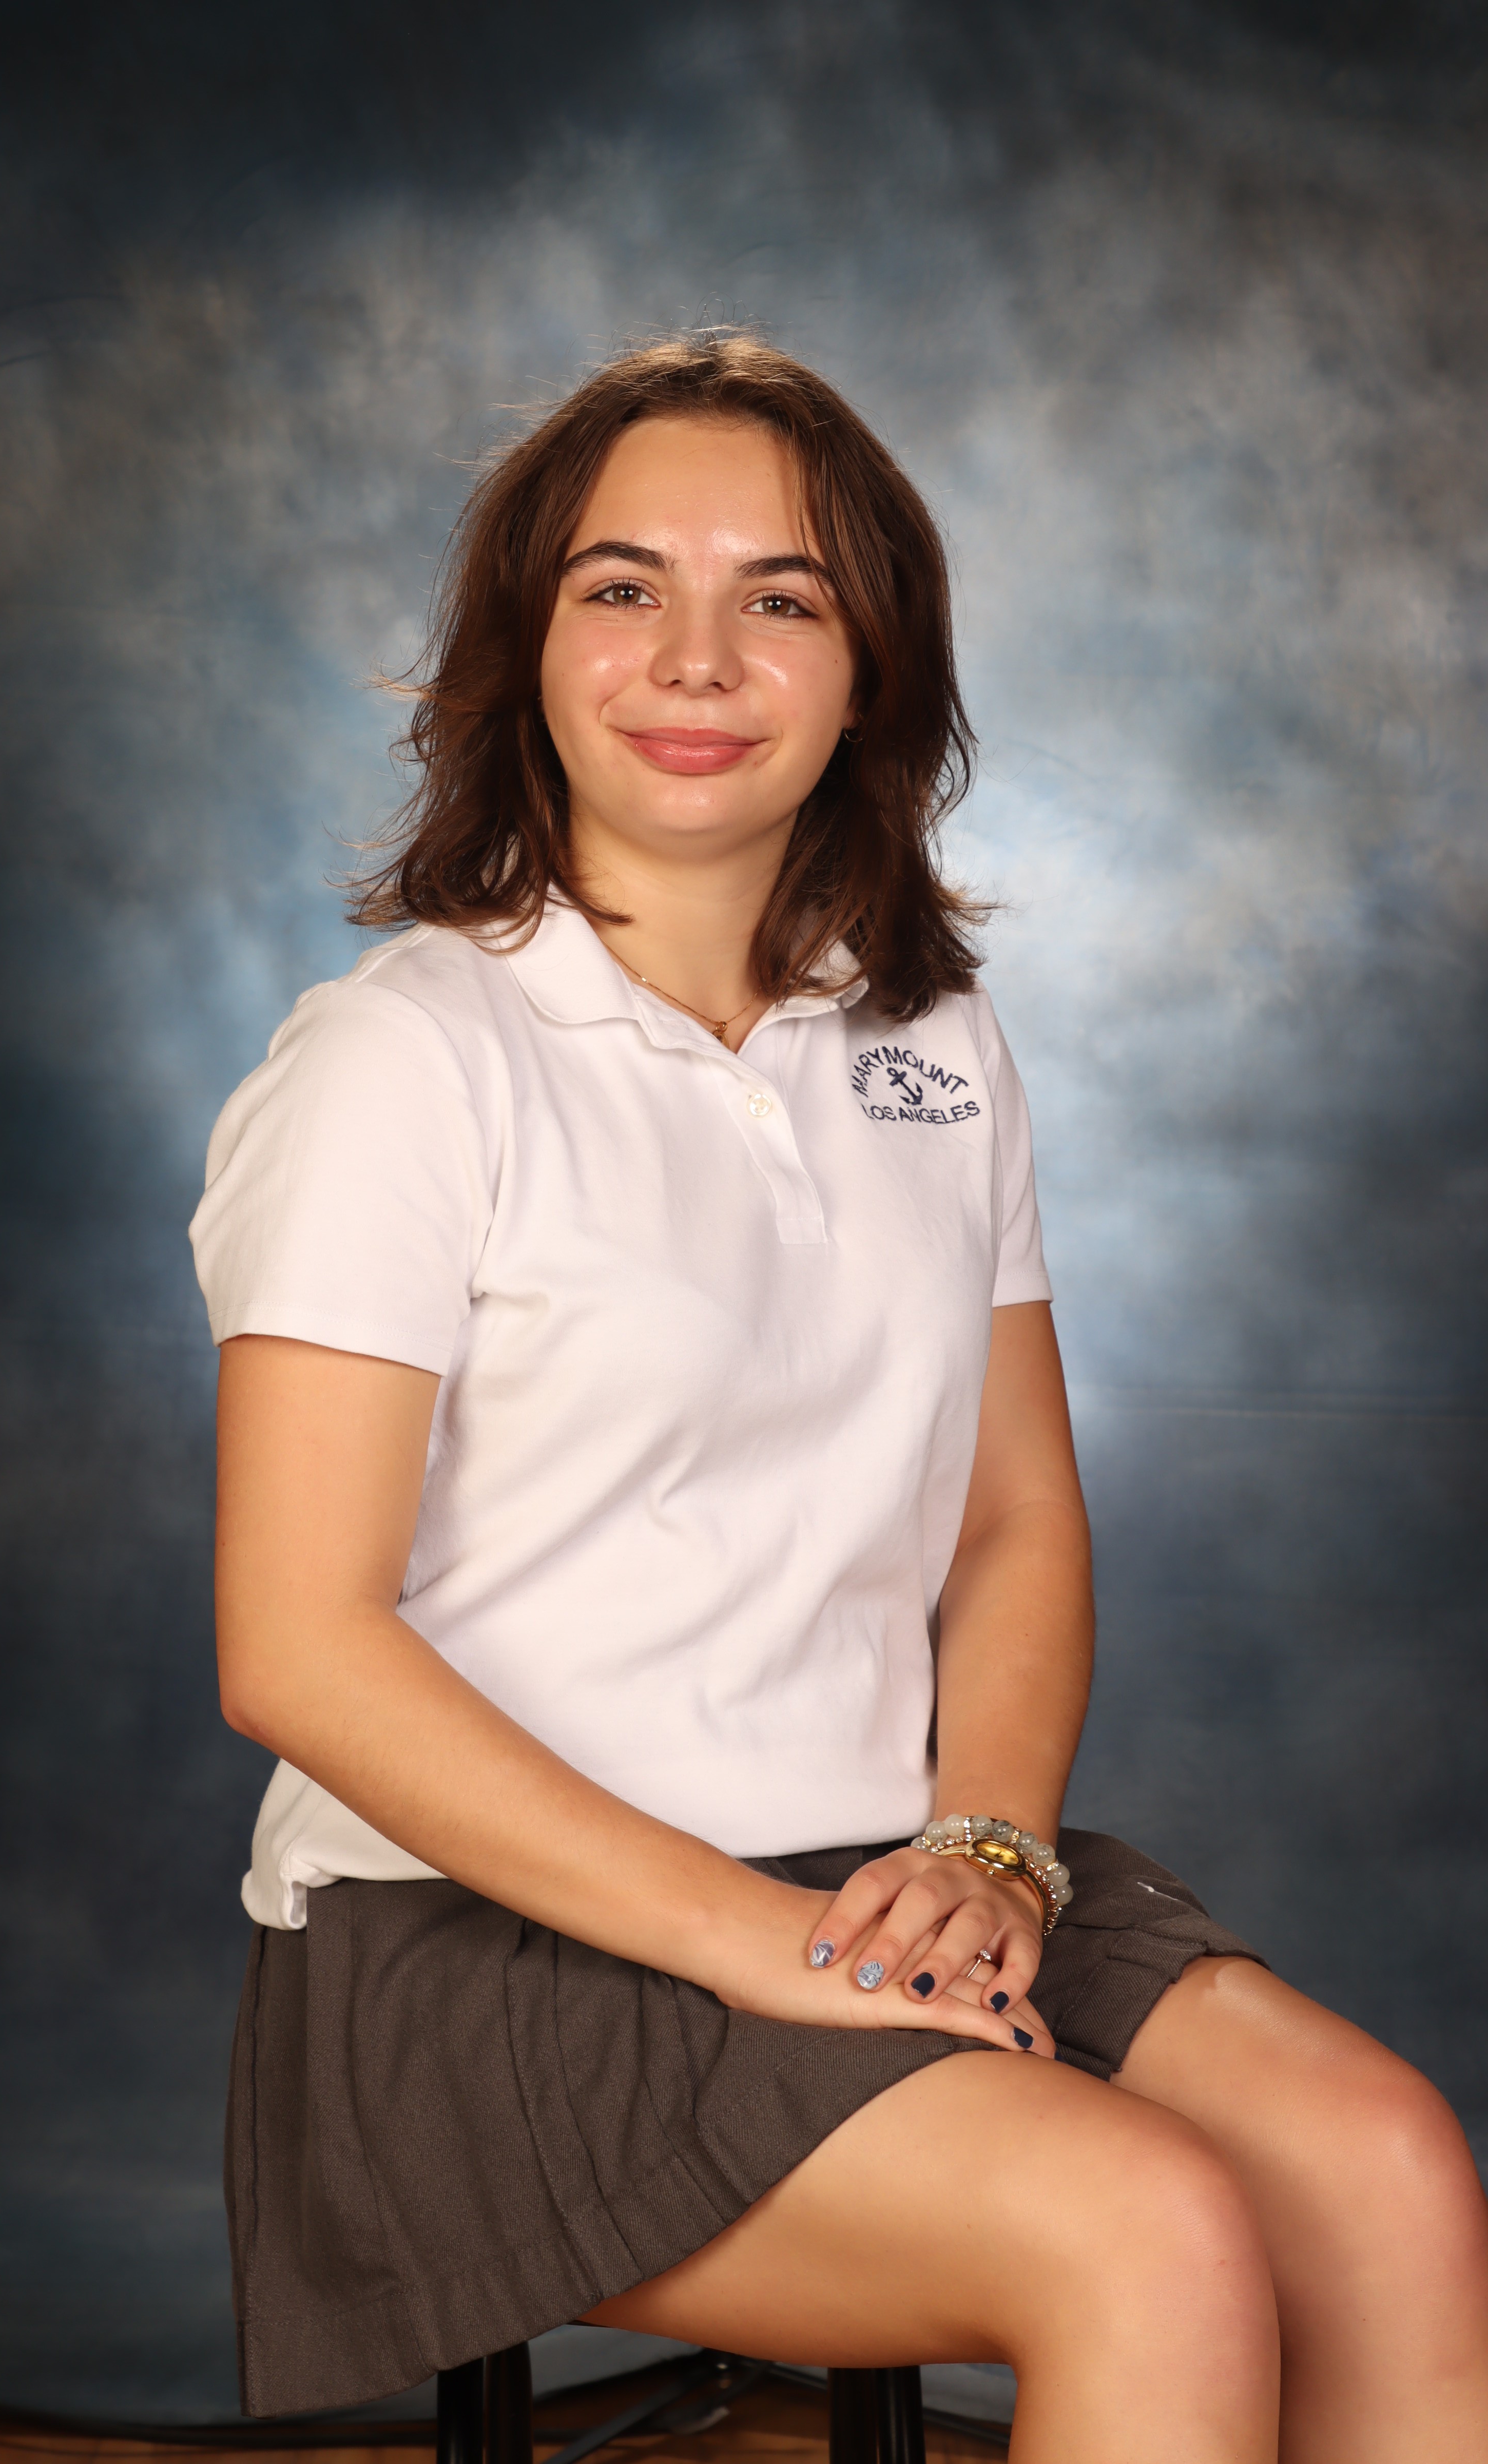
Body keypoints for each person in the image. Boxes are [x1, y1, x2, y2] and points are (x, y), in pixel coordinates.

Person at [190, 332, 1488, 2464]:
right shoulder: (402, 1064)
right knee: (1146, 2234)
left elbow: (1013, 1521)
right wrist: (769, 1946)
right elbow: (295, 1649)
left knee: (1384, 2171)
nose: (694, 658)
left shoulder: (932, 1039)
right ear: (523, 647)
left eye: (777, 597)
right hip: (477, 1943)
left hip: (883, 1866)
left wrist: (987, 1846)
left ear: (871, 667)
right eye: (622, 588)